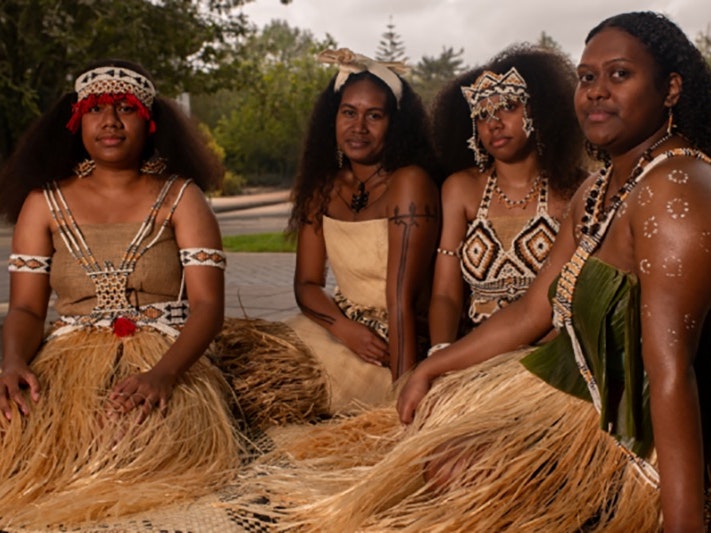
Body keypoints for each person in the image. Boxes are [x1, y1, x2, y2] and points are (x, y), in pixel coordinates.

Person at [224, 12, 711, 532]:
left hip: (628, 424)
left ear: (671, 88)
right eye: (587, 77)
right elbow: (532, 309)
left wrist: (680, 520)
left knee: (459, 476)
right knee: (435, 460)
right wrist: (434, 367)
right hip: (569, 386)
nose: (595, 92)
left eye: (619, 74)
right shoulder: (598, 192)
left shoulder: (677, 186)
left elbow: (670, 373)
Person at [0, 59, 246, 529]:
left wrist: (164, 375)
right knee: (29, 435)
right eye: (96, 109)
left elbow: (208, 307)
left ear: (150, 122)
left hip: (165, 354)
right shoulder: (44, 202)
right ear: (76, 121)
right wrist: (12, 363)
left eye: (125, 109)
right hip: (69, 356)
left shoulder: (181, 196)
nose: (110, 121)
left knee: (135, 438)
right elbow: (28, 308)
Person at [215, 48, 441, 430]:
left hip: (395, 342)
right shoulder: (322, 188)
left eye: (375, 115)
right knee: (229, 370)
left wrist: (402, 395)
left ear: (395, 124)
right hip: (342, 328)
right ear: (332, 118)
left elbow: (400, 299)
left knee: (272, 397)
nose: (358, 127)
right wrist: (345, 329)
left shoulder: (410, 182)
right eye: (348, 112)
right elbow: (306, 285)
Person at [427, 44, 585, 354]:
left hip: (549, 358)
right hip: (474, 353)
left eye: (508, 107)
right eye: (482, 113)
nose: (494, 123)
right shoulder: (460, 189)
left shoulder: (574, 191)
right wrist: (441, 354)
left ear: (539, 112)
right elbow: (445, 294)